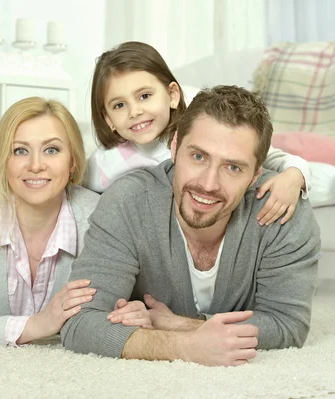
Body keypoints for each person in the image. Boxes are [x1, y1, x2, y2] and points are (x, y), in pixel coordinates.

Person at [61, 86, 321, 367]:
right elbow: (80, 322)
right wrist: (185, 347)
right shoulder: (128, 201)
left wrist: (178, 325)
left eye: (233, 167)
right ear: (174, 147)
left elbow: (288, 325)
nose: (208, 184)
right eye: (198, 157)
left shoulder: (281, 209)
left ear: (256, 174)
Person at [0, 97, 118, 346]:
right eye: (20, 151)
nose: (36, 165)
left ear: (72, 160)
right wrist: (37, 325)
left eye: (52, 150)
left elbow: (106, 315)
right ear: (4, 161)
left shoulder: (100, 216)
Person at [84, 41, 311, 226]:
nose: (135, 111)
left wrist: (295, 175)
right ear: (108, 120)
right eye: (119, 105)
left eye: (144, 96)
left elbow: (263, 154)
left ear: (172, 95)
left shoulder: (200, 115)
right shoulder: (104, 164)